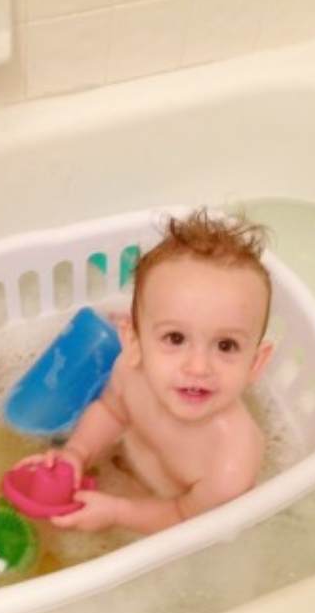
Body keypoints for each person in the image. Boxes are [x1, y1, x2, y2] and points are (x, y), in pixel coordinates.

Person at [17, 209, 275, 534]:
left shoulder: (230, 463)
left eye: (226, 346)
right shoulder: (131, 370)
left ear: (255, 363)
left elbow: (186, 519)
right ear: (133, 342)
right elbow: (111, 411)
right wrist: (76, 454)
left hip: (171, 530)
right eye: (175, 338)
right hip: (120, 475)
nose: (198, 367)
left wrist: (116, 514)